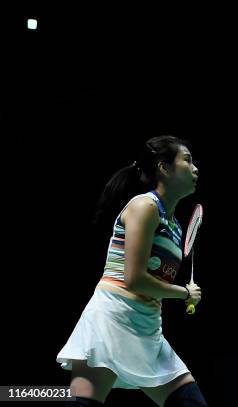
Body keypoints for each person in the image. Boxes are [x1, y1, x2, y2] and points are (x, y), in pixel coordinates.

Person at [57, 135, 208, 406]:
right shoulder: (144, 206)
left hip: (148, 329)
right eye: (187, 160)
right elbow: (135, 279)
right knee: (82, 404)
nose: (195, 168)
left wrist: (179, 293)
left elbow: (152, 282)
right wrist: (185, 293)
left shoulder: (174, 225)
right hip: (112, 318)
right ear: (164, 167)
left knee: (191, 403)